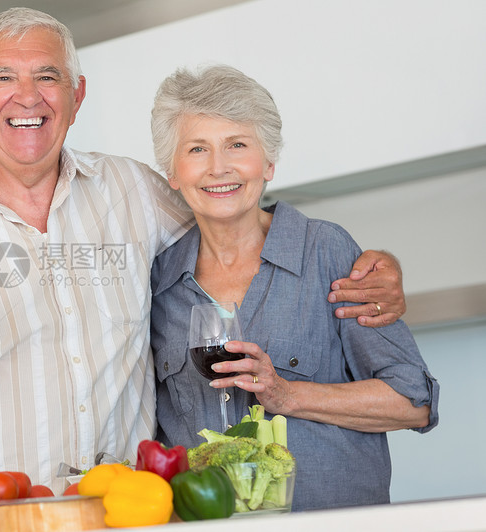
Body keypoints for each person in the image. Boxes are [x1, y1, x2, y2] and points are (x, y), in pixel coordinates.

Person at [0, 9, 405, 530]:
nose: (27, 97)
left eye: (48, 76)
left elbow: (231, 208)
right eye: (3, 78)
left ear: (76, 94)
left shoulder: (134, 191)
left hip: (122, 515)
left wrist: (374, 264)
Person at [148, 64, 438, 511]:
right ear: (172, 172)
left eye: (237, 145)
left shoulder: (325, 250)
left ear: (268, 162)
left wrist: (287, 394)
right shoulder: (157, 282)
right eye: (197, 148)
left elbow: (412, 401)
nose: (218, 167)